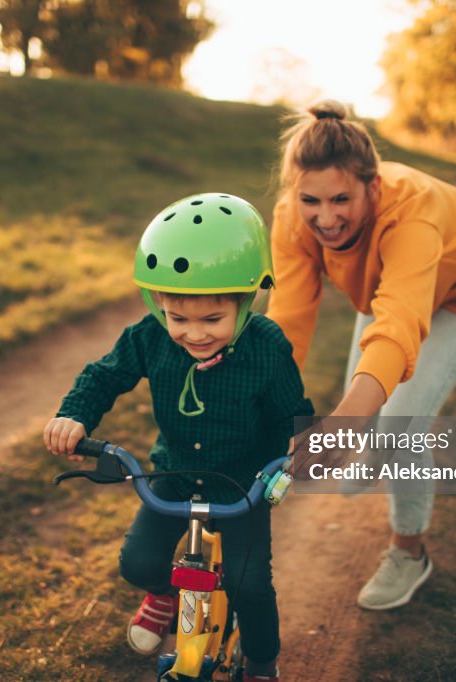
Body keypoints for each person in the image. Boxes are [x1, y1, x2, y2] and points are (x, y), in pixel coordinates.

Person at [44, 193, 313, 682]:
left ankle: (263, 665)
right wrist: (75, 416)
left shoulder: (266, 347)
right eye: (178, 318)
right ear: (157, 303)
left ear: (247, 301)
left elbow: (293, 413)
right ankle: (164, 596)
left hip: (241, 484)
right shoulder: (148, 337)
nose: (193, 334)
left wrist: (293, 451)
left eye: (212, 319)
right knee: (139, 563)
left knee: (249, 585)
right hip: (172, 475)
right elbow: (104, 376)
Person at [267, 101, 456, 611]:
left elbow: (400, 324)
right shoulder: (292, 219)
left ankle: (410, 551)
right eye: (310, 200)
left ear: (373, 188)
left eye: (341, 199)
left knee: (400, 419)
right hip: (392, 283)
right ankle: (372, 449)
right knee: (366, 399)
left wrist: (345, 424)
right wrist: (261, 398)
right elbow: (287, 322)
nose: (325, 217)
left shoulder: (411, 212)